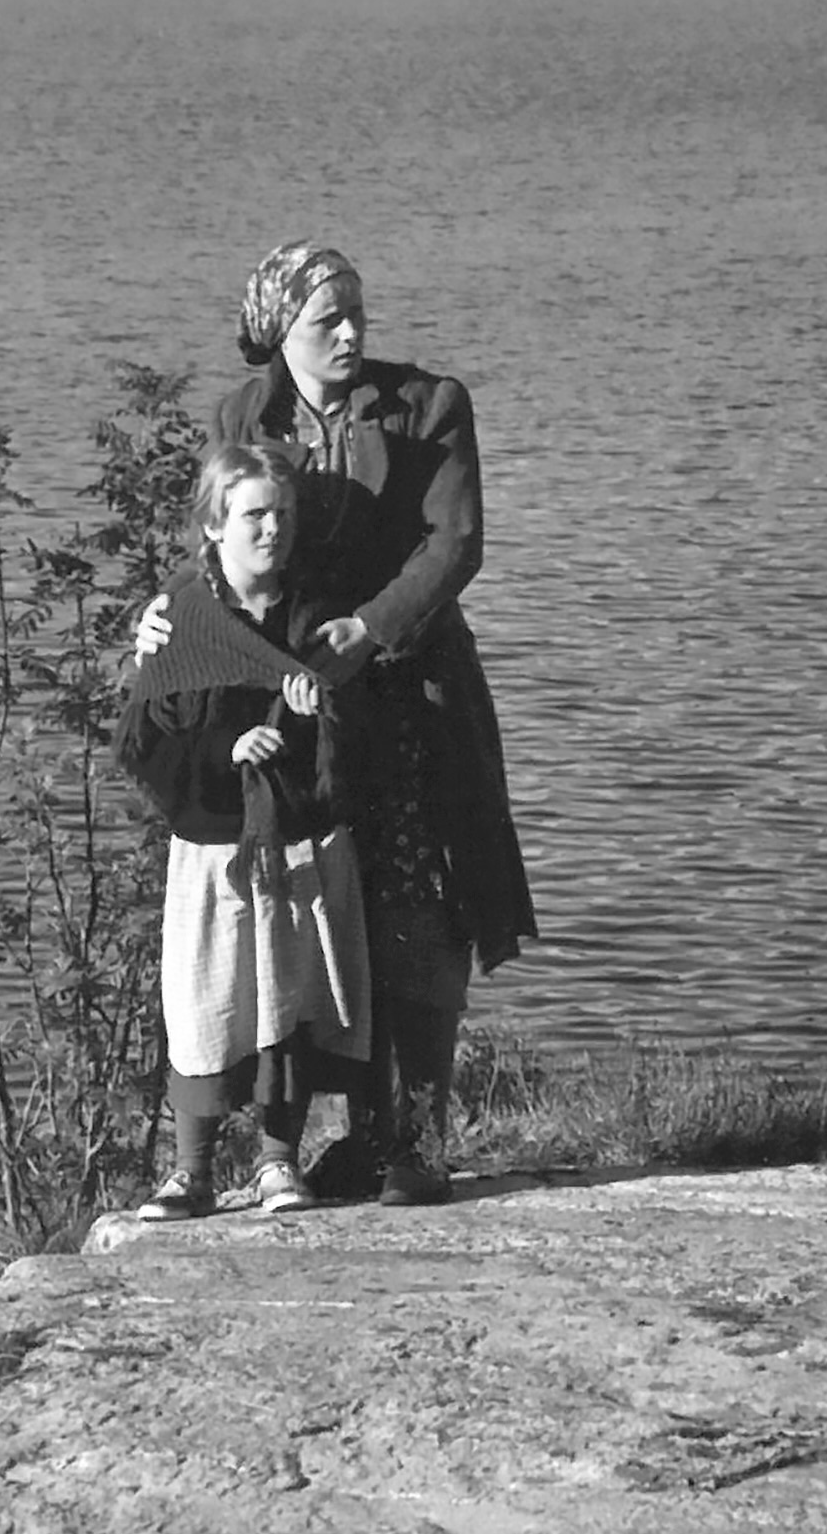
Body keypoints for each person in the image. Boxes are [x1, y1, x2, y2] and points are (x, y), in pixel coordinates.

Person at [136, 240, 536, 1207]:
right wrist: (164, 613)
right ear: (282, 330)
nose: (352, 333)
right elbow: (218, 538)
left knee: (419, 911)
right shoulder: (243, 418)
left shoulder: (429, 406)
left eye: (357, 313)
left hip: (411, 694)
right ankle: (343, 1141)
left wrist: (373, 626)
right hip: (294, 702)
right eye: (328, 320)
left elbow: (456, 543)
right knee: (317, 916)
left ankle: (416, 1142)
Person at [113, 442, 372, 1220]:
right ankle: (190, 1172)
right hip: (214, 848)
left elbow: (356, 739)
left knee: (286, 1007)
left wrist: (315, 712)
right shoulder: (183, 620)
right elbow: (148, 747)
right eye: (254, 513)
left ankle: (277, 1164)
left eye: (282, 513)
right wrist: (226, 750)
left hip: (299, 841)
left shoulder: (318, 619)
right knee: (205, 1007)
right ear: (214, 525)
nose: (271, 528)